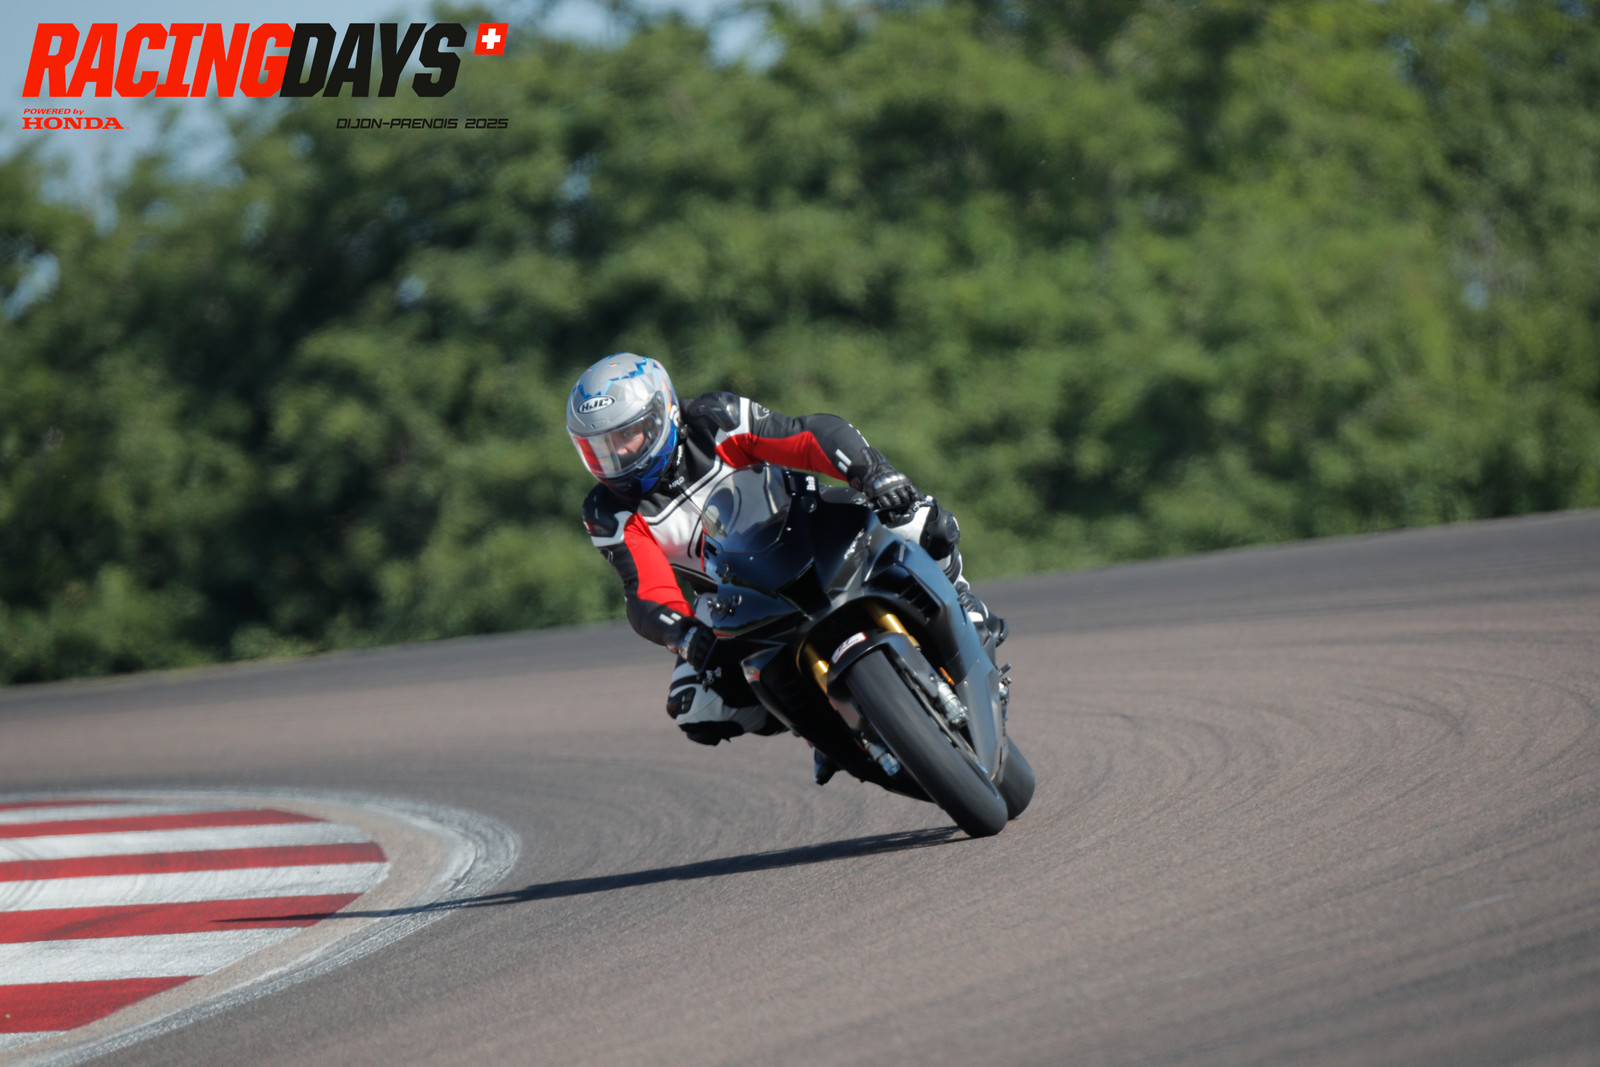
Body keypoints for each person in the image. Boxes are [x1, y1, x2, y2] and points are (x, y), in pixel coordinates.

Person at [568, 353, 1003, 784]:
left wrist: (872, 473)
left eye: (627, 435)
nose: (617, 455)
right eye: (600, 448)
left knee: (918, 519)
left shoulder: (714, 418)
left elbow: (806, 435)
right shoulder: (607, 511)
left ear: (664, 414)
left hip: (806, 521)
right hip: (728, 592)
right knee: (696, 707)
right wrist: (682, 634)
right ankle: (822, 722)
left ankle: (963, 601)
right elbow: (645, 589)